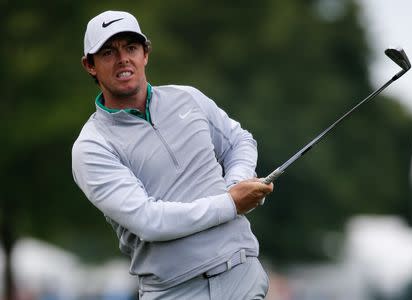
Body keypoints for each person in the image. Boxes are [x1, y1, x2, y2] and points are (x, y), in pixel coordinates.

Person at [71, 10, 274, 300]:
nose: (122, 59)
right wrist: (230, 203)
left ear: (146, 54)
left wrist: (236, 183)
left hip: (240, 274)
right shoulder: (92, 146)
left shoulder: (188, 97)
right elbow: (148, 221)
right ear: (89, 65)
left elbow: (239, 141)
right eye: (107, 52)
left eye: (131, 48)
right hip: (175, 291)